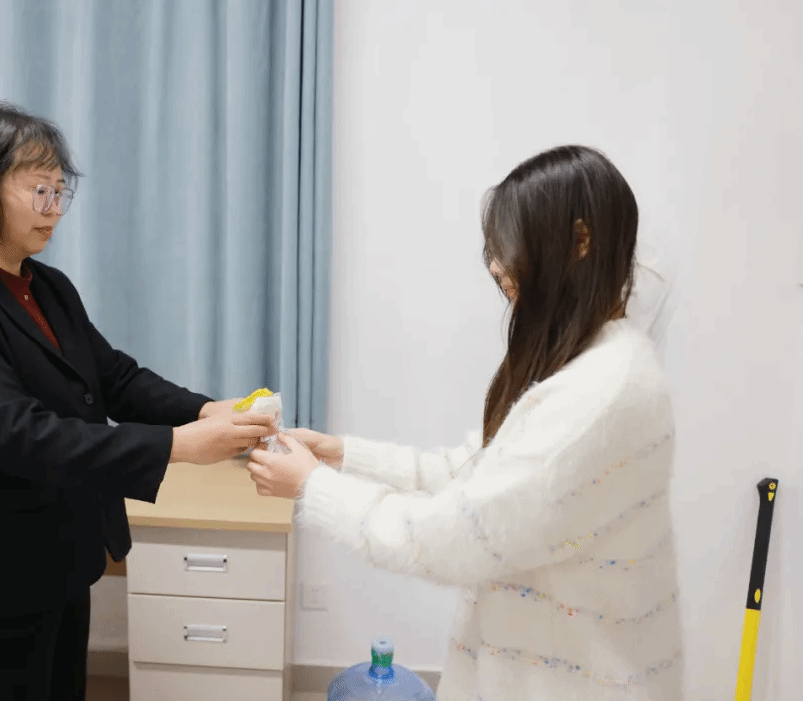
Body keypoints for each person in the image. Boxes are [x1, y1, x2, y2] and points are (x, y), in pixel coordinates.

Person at [248, 145, 683, 700]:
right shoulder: (592, 360)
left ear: (580, 241)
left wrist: (312, 487)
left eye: (511, 247)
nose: (498, 266)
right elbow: (474, 471)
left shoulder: (600, 395)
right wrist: (342, 455)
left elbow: (453, 536)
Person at [0, 101, 276, 701]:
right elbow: (18, 433)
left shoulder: (46, 286)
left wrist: (206, 411)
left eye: (59, 191)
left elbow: (113, 377)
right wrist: (178, 446)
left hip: (61, 559)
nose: (54, 208)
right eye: (39, 190)